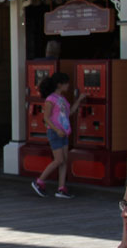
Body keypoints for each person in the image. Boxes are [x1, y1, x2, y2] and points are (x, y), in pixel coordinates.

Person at [31, 72, 86, 200]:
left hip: (64, 132)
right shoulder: (51, 99)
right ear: (59, 84)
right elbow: (46, 118)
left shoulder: (62, 99)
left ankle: (61, 188)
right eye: (66, 83)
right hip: (55, 132)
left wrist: (79, 100)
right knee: (59, 160)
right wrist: (56, 130)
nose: (68, 85)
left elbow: (70, 112)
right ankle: (39, 181)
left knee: (64, 161)